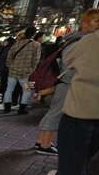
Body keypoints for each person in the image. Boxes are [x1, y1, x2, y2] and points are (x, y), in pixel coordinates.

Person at [45, 25, 99, 175]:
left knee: (73, 151)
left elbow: (67, 58)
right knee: (85, 153)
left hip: (82, 107)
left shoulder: (89, 41)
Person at [34, 8, 99, 156]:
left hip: (66, 81)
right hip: (67, 81)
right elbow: (69, 61)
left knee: (55, 111)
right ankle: (44, 144)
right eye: (97, 21)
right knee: (57, 112)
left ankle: (43, 141)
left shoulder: (75, 38)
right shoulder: (82, 40)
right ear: (85, 24)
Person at [3, 25, 41, 114]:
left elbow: (9, 57)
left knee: (9, 89)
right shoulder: (36, 45)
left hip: (13, 71)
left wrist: (10, 66)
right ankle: (22, 109)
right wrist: (32, 69)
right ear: (34, 34)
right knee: (26, 91)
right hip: (26, 73)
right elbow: (36, 59)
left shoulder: (17, 44)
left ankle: (7, 108)